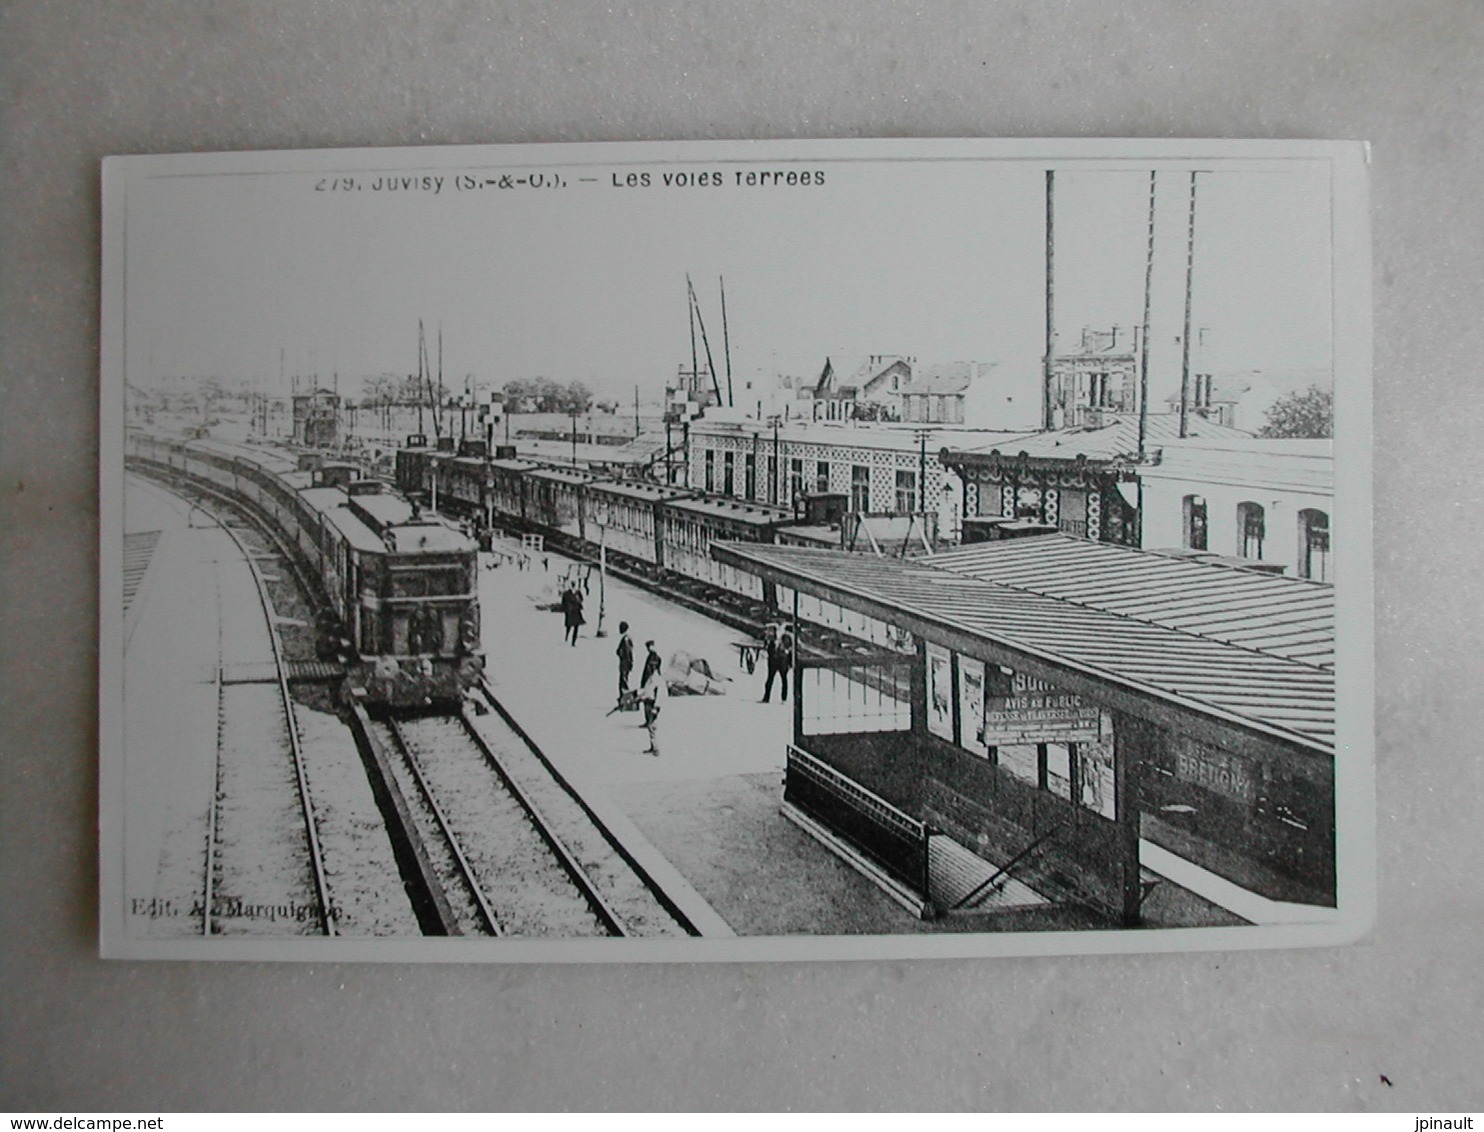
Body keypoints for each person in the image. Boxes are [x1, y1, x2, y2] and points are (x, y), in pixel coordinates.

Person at [638, 640, 664, 755]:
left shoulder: (655, 678)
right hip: (649, 700)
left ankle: (656, 748)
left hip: (653, 703)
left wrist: (656, 707)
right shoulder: (652, 677)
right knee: (650, 726)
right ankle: (653, 746)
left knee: (652, 726)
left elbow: (659, 694)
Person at [762, 621, 794, 703]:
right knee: (771, 680)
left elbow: (789, 650)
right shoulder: (772, 640)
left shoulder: (787, 638)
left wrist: (789, 662)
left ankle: (782, 698)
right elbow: (768, 649)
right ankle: (767, 698)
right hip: (775, 661)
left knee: (782, 680)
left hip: (781, 661)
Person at [615, 621, 634, 703]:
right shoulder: (627, 638)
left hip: (625, 663)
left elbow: (626, 652)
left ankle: (624, 699)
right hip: (626, 662)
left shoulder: (625, 639)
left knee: (623, 682)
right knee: (623, 681)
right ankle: (623, 698)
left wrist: (619, 653)